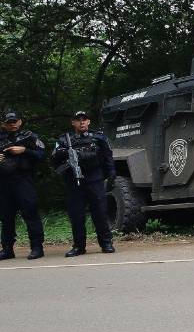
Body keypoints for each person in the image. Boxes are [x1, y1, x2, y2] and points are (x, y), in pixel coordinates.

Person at [52, 111, 116, 257]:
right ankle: (79, 247)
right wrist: (67, 153)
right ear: (72, 123)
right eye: (78, 120)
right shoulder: (63, 140)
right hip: (74, 181)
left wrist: (111, 175)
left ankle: (106, 243)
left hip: (95, 179)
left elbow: (108, 157)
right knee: (76, 215)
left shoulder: (99, 137)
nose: (82, 122)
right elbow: (54, 159)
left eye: (84, 119)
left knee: (100, 212)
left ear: (88, 122)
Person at [0, 111, 46, 260]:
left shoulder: (30, 137)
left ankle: (37, 247)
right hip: (5, 183)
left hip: (24, 180)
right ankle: (7, 249)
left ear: (20, 122)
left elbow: (41, 155)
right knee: (6, 217)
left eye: (15, 121)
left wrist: (24, 150)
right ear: (4, 124)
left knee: (30, 214)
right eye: (9, 122)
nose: (12, 124)